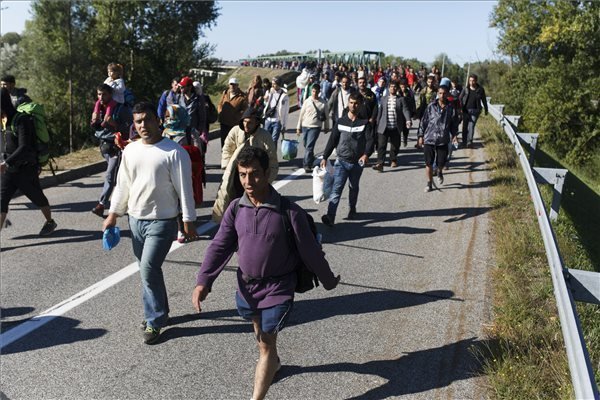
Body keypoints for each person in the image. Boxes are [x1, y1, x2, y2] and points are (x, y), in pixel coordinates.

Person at [192, 146, 340, 400]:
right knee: (261, 335)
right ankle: (274, 362)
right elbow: (219, 246)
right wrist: (203, 281)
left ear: (267, 173)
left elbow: (311, 252)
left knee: (266, 342)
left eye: (254, 174)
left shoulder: (289, 212)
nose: (248, 181)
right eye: (242, 175)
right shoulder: (236, 209)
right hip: (248, 288)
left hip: (278, 288)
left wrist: (327, 280)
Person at [102, 102, 197, 344]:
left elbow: (185, 189)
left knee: (148, 269)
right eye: (138, 121)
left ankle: (154, 321)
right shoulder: (130, 150)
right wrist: (113, 214)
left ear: (158, 121)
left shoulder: (174, 152)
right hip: (135, 220)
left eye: (147, 119)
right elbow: (122, 185)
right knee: (147, 271)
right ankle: (161, 312)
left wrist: (188, 220)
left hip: (162, 222)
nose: (143, 125)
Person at [0, 87, 56, 236]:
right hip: (9, 170)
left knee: (37, 197)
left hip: (25, 168)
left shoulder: (22, 120)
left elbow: (24, 147)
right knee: (1, 201)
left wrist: (6, 163)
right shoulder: (4, 120)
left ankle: (50, 221)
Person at [212, 107, 278, 223]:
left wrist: (266, 181)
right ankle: (232, 223)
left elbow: (272, 161)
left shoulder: (265, 136)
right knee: (230, 200)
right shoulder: (235, 131)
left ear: (257, 122)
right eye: (244, 122)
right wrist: (227, 167)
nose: (246, 125)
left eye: (250, 122)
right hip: (235, 175)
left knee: (253, 202)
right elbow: (227, 149)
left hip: (255, 177)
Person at [320, 93, 374, 226]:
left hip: (357, 163)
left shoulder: (364, 123)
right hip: (341, 162)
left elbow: (370, 141)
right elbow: (332, 140)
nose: (353, 105)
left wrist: (366, 154)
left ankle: (352, 208)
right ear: (348, 103)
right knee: (336, 190)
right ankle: (330, 217)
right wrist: (325, 156)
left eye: (356, 103)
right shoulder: (340, 122)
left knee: (353, 187)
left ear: (360, 105)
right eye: (351, 102)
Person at [90, 84, 132, 218]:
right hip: (104, 147)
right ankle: (129, 201)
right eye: (99, 94)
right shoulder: (98, 108)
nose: (101, 97)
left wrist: (114, 123)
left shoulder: (120, 109)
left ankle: (101, 205)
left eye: (104, 94)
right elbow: (98, 129)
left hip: (116, 147)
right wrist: (94, 122)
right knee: (120, 177)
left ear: (111, 95)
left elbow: (129, 128)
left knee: (110, 176)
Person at [417, 84, 460, 192]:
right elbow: (423, 122)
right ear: (437, 94)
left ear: (447, 94)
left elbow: (454, 124)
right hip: (429, 138)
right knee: (428, 163)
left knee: (441, 162)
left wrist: (454, 135)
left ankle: (439, 171)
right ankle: (429, 184)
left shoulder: (451, 108)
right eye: (440, 93)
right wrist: (420, 136)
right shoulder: (431, 106)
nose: (442, 95)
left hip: (443, 139)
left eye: (444, 93)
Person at [372, 81, 412, 172]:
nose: (392, 88)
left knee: (395, 145)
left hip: (395, 126)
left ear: (397, 88)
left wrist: (408, 120)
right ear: (388, 88)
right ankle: (380, 163)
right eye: (391, 87)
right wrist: (377, 123)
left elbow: (405, 110)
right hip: (384, 126)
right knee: (381, 145)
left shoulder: (401, 99)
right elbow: (380, 111)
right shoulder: (383, 99)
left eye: (394, 87)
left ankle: (393, 159)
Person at [296, 83, 330, 172]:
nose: (314, 93)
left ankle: (306, 164)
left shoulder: (323, 103)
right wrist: (298, 127)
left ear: (319, 92)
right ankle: (311, 159)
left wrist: (326, 127)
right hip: (305, 125)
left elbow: (326, 116)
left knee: (309, 146)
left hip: (315, 127)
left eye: (316, 92)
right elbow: (301, 114)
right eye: (313, 91)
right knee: (306, 144)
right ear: (311, 91)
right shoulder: (307, 101)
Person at [459, 74, 488, 148]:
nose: (471, 82)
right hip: (465, 110)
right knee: (465, 126)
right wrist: (460, 107)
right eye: (470, 81)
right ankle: (464, 142)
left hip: (475, 110)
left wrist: (486, 109)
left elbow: (484, 100)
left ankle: (469, 141)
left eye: (473, 81)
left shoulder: (480, 90)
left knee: (471, 126)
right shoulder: (466, 89)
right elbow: (460, 98)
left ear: (476, 81)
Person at [218, 77, 248, 148]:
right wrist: (220, 112)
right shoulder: (225, 93)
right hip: (224, 122)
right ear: (229, 85)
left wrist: (236, 116)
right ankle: (224, 154)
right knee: (224, 142)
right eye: (231, 84)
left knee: (233, 143)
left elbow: (244, 110)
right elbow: (220, 104)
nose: (232, 86)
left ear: (237, 85)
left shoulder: (242, 96)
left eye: (234, 84)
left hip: (234, 124)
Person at [263, 76, 289, 144]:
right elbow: (266, 104)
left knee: (273, 141)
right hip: (268, 119)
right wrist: (265, 100)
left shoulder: (284, 96)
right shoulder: (269, 92)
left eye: (274, 84)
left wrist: (284, 125)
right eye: (272, 83)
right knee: (265, 139)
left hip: (277, 121)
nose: (272, 85)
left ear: (279, 84)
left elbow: (286, 112)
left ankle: (273, 151)